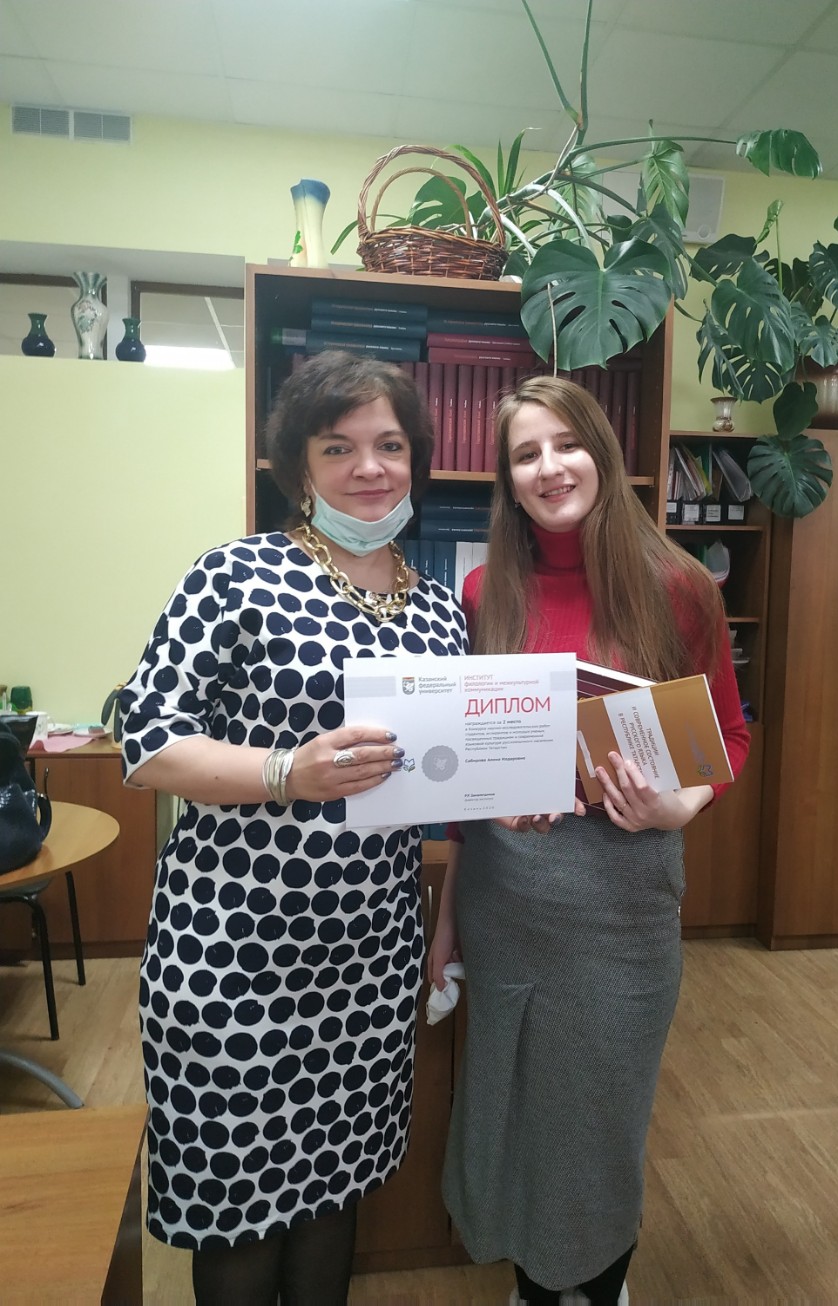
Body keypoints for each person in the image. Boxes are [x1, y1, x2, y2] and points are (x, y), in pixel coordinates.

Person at [119, 350, 466, 1306]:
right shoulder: (236, 576)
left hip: (368, 960)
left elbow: (447, 773)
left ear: (416, 458)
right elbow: (146, 740)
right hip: (233, 955)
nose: (369, 468)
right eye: (338, 447)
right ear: (299, 466)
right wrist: (287, 772)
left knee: (331, 1189)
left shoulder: (440, 611)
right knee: (236, 1205)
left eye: (389, 444)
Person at [428, 376, 750, 1306]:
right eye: (526, 454)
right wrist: (448, 919)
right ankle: (535, 1286)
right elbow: (470, 773)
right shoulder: (484, 590)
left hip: (622, 901)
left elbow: (728, 736)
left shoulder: (678, 586)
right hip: (506, 897)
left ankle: (598, 1285)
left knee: (598, 1121)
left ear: (602, 453)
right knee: (514, 1111)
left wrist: (677, 809)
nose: (550, 467)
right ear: (507, 480)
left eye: (567, 444)